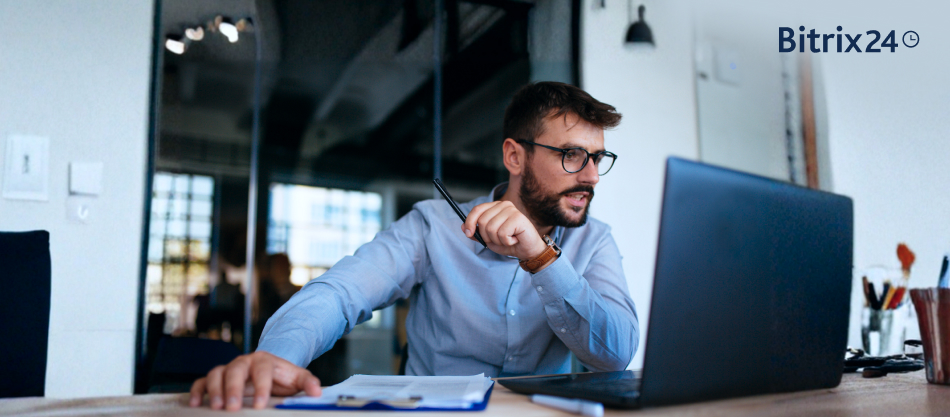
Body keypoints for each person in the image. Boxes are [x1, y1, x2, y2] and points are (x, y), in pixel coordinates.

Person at [190, 82, 639, 410]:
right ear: (515, 156)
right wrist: (274, 358)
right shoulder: (433, 226)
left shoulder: (594, 240)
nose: (592, 177)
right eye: (573, 156)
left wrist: (541, 259)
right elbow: (340, 293)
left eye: (598, 158)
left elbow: (615, 353)